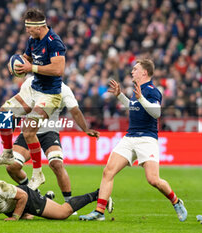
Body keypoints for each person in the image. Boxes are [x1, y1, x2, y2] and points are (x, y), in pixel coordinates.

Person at [79, 59, 188, 222]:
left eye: (135, 69)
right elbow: (133, 107)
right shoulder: (137, 90)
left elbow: (156, 113)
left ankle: (176, 201)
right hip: (130, 137)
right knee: (108, 171)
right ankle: (99, 212)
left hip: (147, 139)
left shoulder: (152, 90)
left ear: (144, 72)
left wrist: (141, 98)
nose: (132, 71)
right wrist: (119, 96)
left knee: (153, 180)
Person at [0, 8, 67, 190]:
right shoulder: (33, 40)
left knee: (28, 129)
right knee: (3, 114)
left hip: (50, 94)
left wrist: (32, 68)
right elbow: (26, 59)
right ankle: (7, 153)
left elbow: (58, 70)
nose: (26, 31)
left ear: (38, 27)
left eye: (28, 28)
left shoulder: (55, 42)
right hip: (33, 90)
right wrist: (16, 63)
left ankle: (38, 174)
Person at [4, 77, 99, 199]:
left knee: (56, 164)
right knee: (12, 167)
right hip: (28, 132)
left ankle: (68, 203)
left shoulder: (64, 89)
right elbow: (19, 107)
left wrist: (86, 129)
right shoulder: (29, 82)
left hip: (49, 132)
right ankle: (35, 193)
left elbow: (75, 111)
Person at [0, 177, 113, 221]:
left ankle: (97, 194)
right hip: (10, 206)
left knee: (63, 214)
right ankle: (48, 198)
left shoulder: (0, 187)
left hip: (25, 198)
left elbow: (23, 196)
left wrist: (14, 217)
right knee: (30, 218)